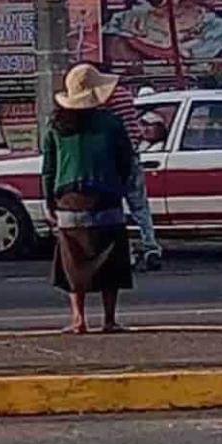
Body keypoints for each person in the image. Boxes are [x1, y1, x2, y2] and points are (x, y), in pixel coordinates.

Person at [43, 64, 136, 335]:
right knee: (110, 261)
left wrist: (49, 201)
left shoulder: (56, 127)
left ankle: (78, 319)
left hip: (68, 201)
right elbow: (126, 161)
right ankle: (109, 320)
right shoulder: (111, 123)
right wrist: (119, 188)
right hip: (105, 198)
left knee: (74, 264)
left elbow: (49, 168)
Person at [101, 72, 163, 271]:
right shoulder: (126, 96)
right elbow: (136, 130)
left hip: (110, 160)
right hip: (132, 155)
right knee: (140, 208)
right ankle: (151, 247)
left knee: (114, 209)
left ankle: (125, 252)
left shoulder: (102, 101)